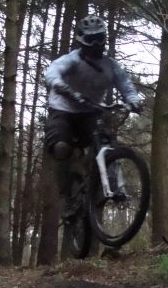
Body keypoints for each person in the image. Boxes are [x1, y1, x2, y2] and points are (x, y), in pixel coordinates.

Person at [44, 15, 143, 217]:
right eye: (91, 39)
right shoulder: (72, 60)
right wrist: (62, 87)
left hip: (91, 111)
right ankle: (67, 196)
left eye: (100, 38)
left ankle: (114, 187)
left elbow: (126, 86)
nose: (96, 44)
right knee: (61, 148)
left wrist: (133, 101)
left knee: (107, 143)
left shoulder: (110, 65)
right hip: (63, 109)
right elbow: (53, 72)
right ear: (81, 40)